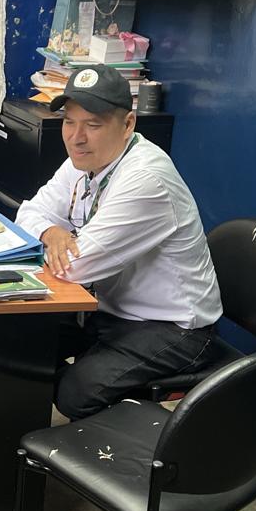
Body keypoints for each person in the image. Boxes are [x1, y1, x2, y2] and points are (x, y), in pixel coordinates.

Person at [16, 65, 224, 421]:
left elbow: (74, 267)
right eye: (69, 122)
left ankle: (131, 438)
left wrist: (60, 241)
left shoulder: (146, 178)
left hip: (173, 328)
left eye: (93, 125)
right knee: (12, 342)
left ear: (128, 124)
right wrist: (51, 233)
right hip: (111, 310)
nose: (76, 137)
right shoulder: (86, 161)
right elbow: (29, 212)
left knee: (74, 392)